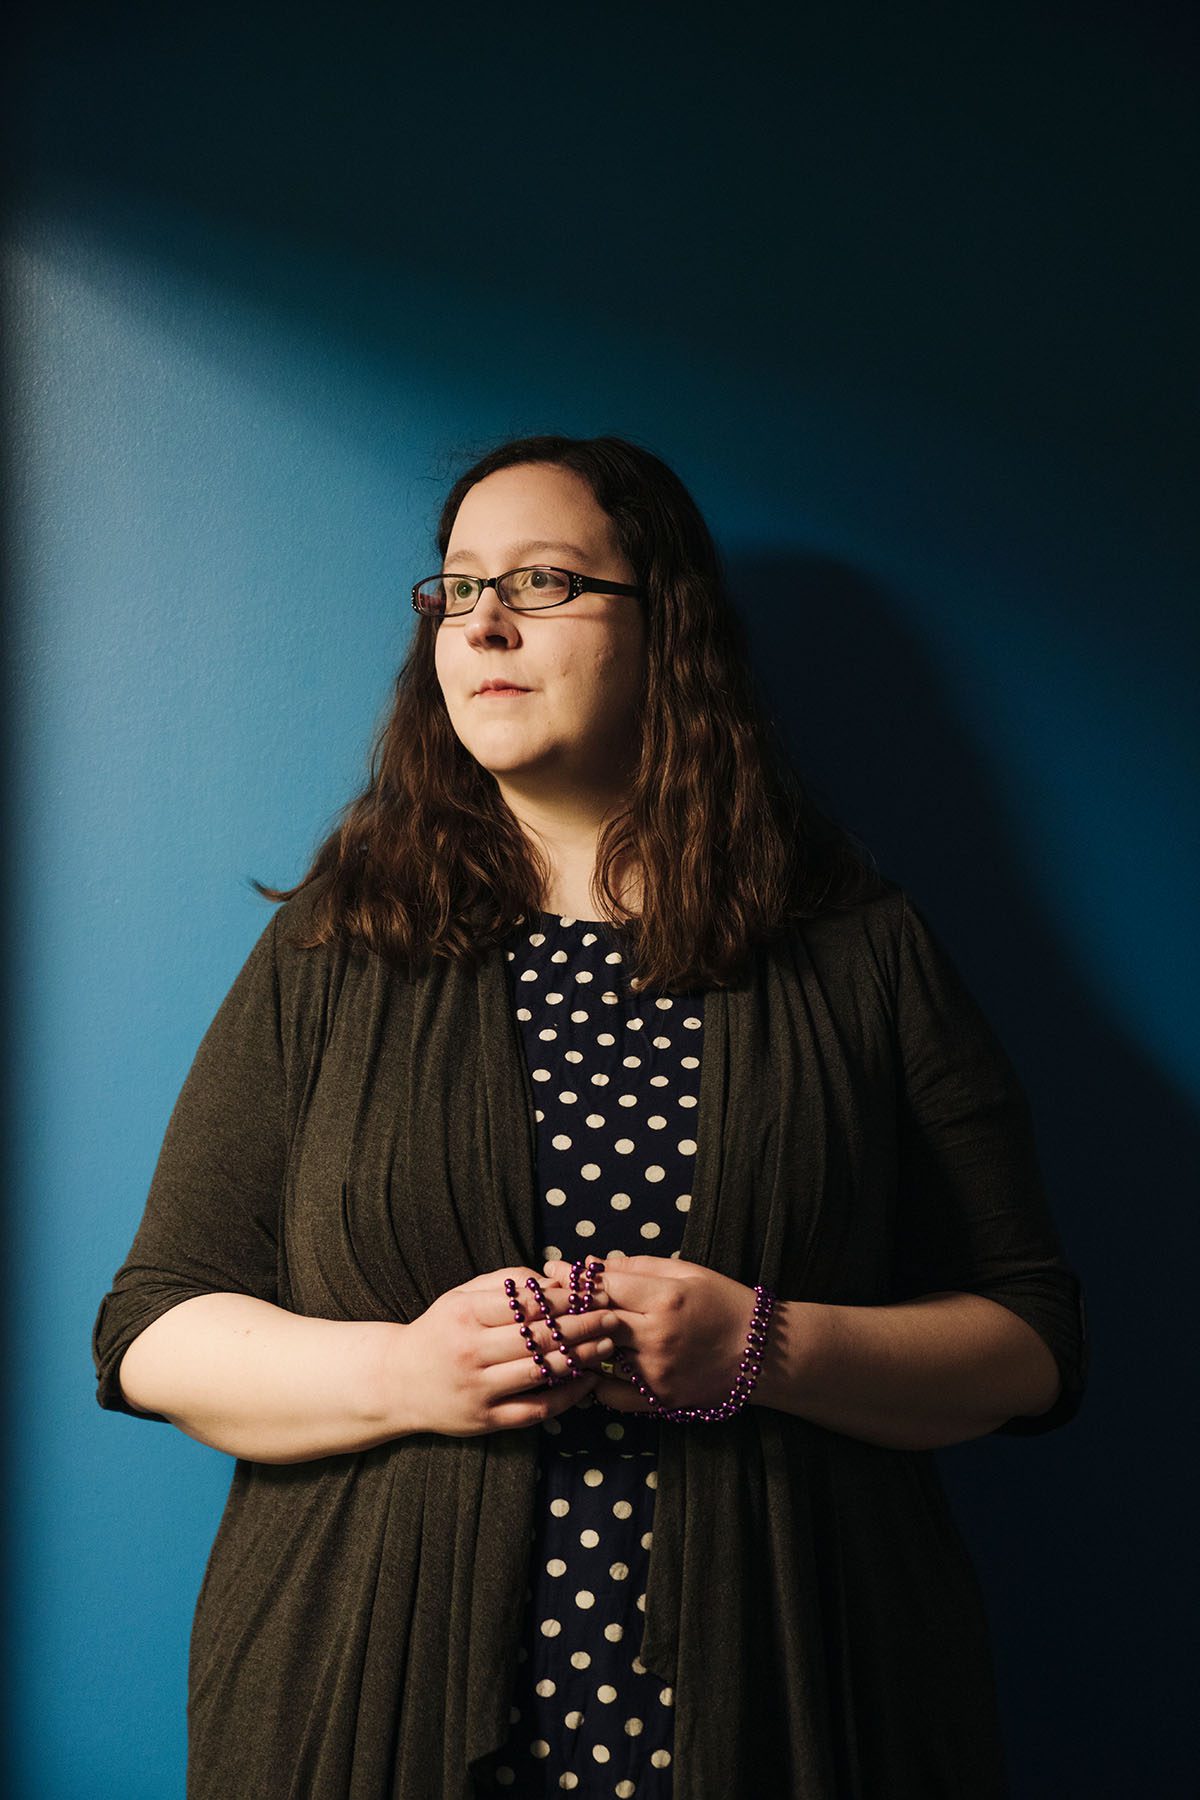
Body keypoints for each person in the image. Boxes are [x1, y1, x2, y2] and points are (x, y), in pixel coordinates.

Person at [92, 433, 1088, 1800]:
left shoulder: (857, 948)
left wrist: (761, 1346)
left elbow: (1029, 1340)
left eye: (543, 581)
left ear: (666, 626)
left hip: (799, 1696)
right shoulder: (338, 945)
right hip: (358, 1699)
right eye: (455, 589)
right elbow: (153, 1325)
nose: (483, 620)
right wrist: (409, 1375)